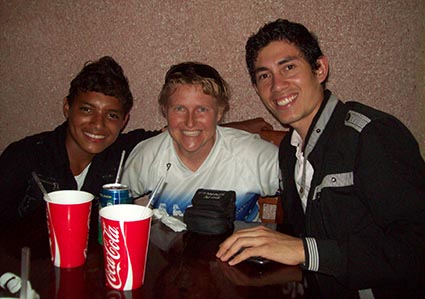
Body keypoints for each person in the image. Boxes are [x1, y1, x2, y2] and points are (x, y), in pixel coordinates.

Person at [216, 19, 425, 298]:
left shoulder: (371, 135)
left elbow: (416, 246)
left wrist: (304, 250)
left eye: (289, 67)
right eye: (264, 76)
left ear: (320, 69)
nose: (277, 86)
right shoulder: (289, 151)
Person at [0, 56, 270, 230]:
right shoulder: (23, 158)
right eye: (86, 110)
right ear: (67, 107)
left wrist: (231, 130)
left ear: (124, 120)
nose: (97, 124)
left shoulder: (123, 150)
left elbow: (185, 131)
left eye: (112, 115)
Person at [121, 62, 280, 221]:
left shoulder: (253, 156)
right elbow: (115, 207)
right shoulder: (148, 155)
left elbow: (302, 189)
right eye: (179, 109)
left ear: (219, 113)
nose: (190, 122)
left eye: (202, 109)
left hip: (243, 245)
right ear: (165, 110)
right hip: (170, 246)